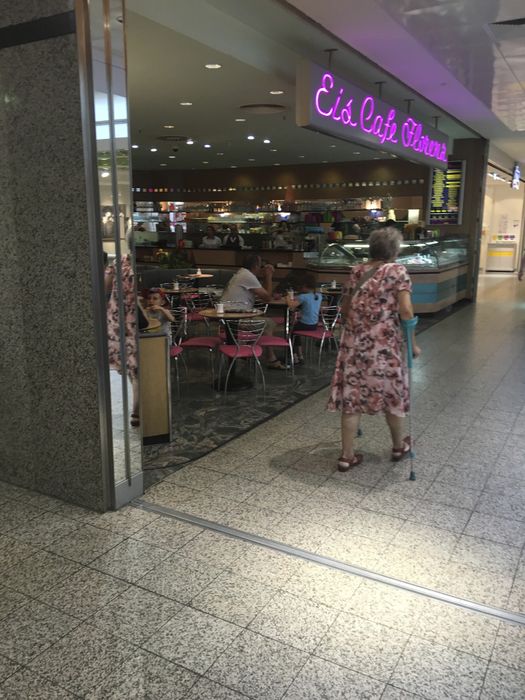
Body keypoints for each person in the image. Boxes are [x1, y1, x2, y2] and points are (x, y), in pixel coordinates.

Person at [327, 226, 421, 471]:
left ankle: (347, 456)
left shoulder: (357, 271)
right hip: (384, 348)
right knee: (393, 396)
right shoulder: (398, 271)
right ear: (395, 250)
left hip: (354, 347)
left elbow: (345, 309)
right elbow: (406, 310)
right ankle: (399, 446)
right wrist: (412, 342)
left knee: (352, 400)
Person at [221, 254, 286, 369]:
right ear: (256, 266)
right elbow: (267, 298)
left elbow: (264, 294)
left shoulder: (243, 273)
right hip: (234, 317)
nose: (262, 267)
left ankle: (249, 350)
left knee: (265, 321)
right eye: (261, 265)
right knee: (269, 323)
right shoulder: (247, 276)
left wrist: (266, 278)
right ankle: (270, 358)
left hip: (229, 315)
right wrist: (269, 276)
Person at [105, 240, 141, 427]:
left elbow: (105, 285)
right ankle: (137, 411)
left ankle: (137, 411)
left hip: (117, 322)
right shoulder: (136, 267)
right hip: (132, 322)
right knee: (137, 370)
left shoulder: (119, 262)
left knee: (132, 370)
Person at [287, 273, 323, 365]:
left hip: (305, 324)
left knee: (291, 331)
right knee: (295, 330)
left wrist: (288, 297)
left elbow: (291, 306)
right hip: (314, 325)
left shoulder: (303, 296)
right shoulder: (319, 295)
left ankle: (294, 355)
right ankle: (300, 355)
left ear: (304, 286)